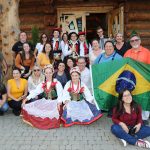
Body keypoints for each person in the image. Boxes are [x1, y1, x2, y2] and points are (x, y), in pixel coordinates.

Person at [22, 64, 63, 129]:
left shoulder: (57, 82)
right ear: (44, 73)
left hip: (55, 102)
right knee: (34, 110)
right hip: (45, 101)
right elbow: (35, 92)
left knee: (50, 114)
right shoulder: (43, 83)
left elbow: (60, 94)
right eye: (46, 73)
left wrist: (59, 103)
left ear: (52, 72)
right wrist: (26, 99)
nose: (48, 74)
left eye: (50, 73)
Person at [124, 34, 150, 124]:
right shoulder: (127, 53)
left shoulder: (147, 52)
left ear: (140, 41)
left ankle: (144, 118)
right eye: (132, 41)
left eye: (136, 40)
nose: (134, 42)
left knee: (144, 99)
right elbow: (124, 67)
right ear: (130, 43)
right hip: (131, 81)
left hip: (144, 82)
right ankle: (134, 117)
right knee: (132, 99)